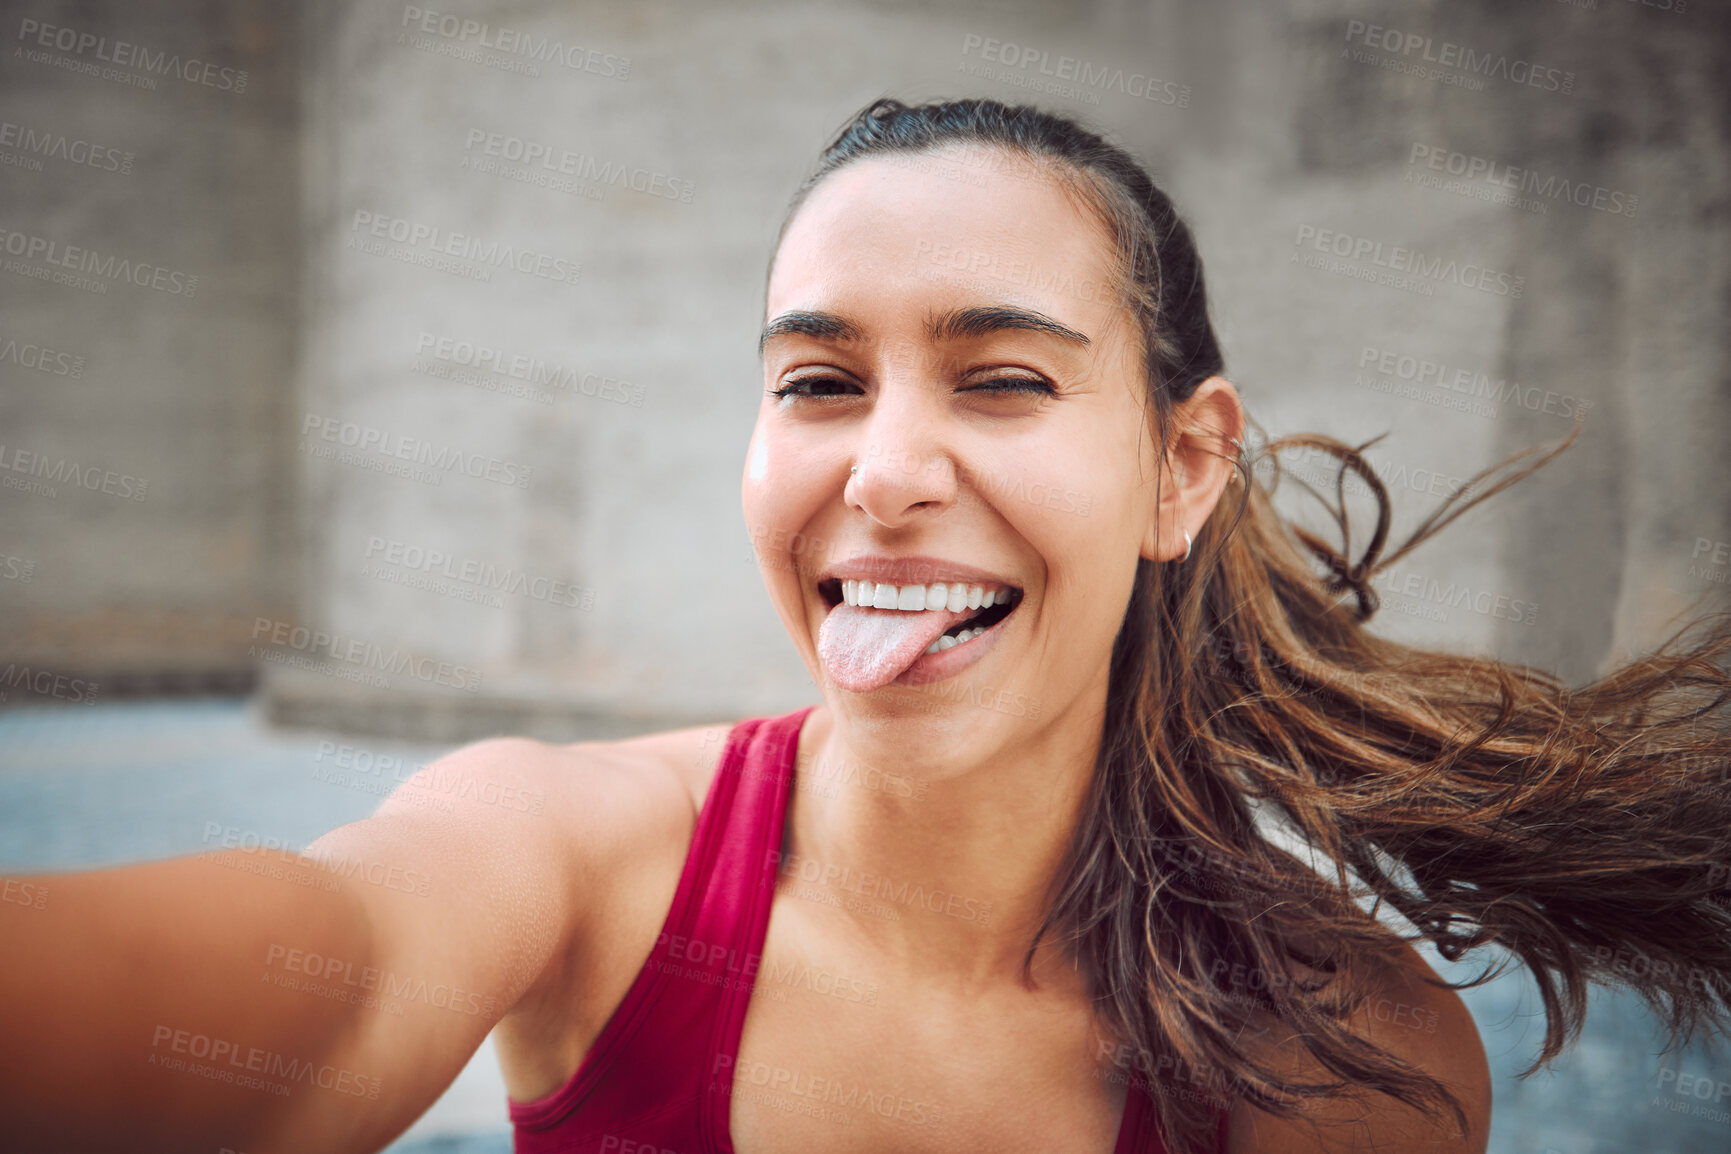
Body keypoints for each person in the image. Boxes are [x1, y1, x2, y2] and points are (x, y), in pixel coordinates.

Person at [3, 96, 1728, 1154]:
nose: (888, 471)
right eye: (818, 381)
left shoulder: (1349, 1062)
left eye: (1001, 378)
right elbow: (316, 975)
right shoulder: (570, 860)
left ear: (1182, 469)